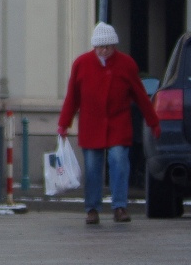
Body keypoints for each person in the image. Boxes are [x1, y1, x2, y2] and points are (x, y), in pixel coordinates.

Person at [57, 22, 160, 224]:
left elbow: (140, 96)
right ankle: (92, 209)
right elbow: (72, 97)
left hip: (118, 124)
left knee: (119, 163)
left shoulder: (126, 64)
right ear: (94, 47)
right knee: (93, 168)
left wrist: (153, 121)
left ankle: (119, 206)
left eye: (108, 47)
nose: (104, 51)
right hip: (91, 125)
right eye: (100, 47)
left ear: (115, 46)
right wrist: (64, 123)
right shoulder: (81, 64)